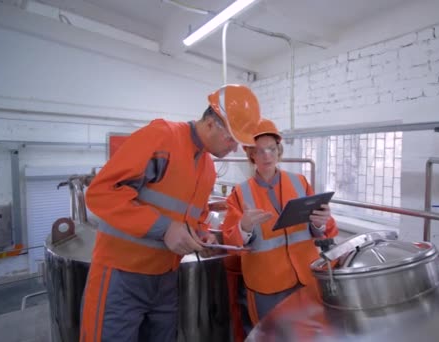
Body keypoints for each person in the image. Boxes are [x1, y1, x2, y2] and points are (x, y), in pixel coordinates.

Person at [79, 84, 262, 342]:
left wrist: (202, 235)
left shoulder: (208, 167)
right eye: (232, 139)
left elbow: (195, 216)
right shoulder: (162, 137)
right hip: (121, 275)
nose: (233, 149)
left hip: (165, 280)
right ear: (211, 124)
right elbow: (102, 192)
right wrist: (164, 228)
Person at [221, 118, 338, 334]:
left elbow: (323, 228)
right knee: (270, 336)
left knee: (307, 335)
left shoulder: (299, 182)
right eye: (259, 150)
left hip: (304, 277)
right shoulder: (240, 193)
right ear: (251, 155)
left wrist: (320, 224)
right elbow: (230, 241)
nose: (267, 155)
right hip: (267, 283)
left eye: (271, 149)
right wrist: (244, 227)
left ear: (279, 151)